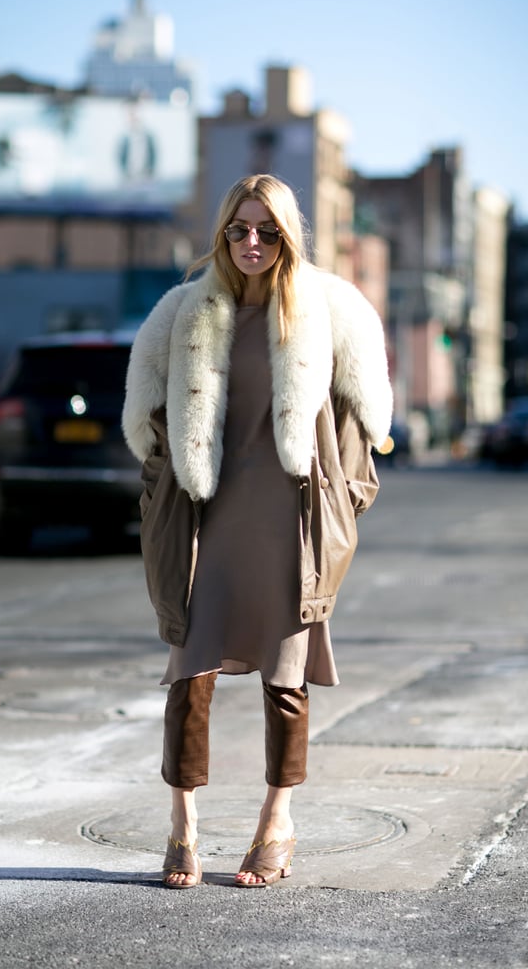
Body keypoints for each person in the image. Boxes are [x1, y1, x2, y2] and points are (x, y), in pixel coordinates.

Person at [122, 174, 393, 889]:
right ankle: (182, 827)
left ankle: (277, 822)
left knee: (285, 681)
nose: (251, 243)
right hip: (206, 522)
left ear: (286, 237)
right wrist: (159, 490)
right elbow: (148, 415)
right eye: (239, 230)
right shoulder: (182, 312)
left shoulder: (324, 308)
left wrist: (346, 498)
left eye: (266, 232)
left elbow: (356, 416)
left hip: (288, 524)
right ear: (222, 234)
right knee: (190, 672)